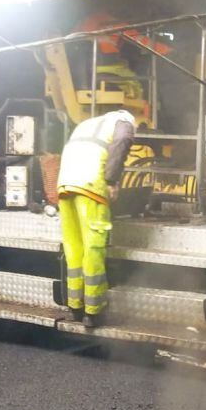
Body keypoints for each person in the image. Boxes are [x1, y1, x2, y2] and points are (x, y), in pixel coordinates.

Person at [56, 109, 137, 327]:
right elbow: (122, 140)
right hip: (91, 187)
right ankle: (93, 311)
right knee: (94, 248)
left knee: (74, 248)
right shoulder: (124, 123)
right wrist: (112, 180)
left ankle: (75, 306)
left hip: (65, 185)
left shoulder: (88, 123)